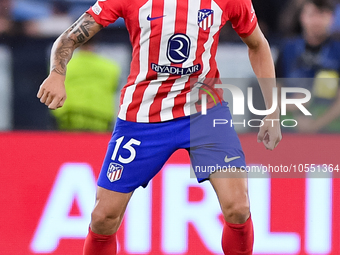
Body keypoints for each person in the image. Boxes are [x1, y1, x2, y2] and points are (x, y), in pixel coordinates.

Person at [37, 0, 281, 254]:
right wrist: (57, 73)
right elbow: (69, 37)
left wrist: (272, 111)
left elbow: (258, 45)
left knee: (238, 208)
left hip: (204, 114)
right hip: (143, 117)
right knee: (103, 218)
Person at [276, 0, 340, 133]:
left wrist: (315, 125)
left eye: (322, 15)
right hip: (289, 126)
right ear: (302, 17)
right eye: (312, 15)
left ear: (332, 18)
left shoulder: (337, 51)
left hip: (330, 131)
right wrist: (290, 104)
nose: (316, 21)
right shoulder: (288, 49)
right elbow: (270, 95)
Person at [52, 40, 121, 132]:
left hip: (70, 116)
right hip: (100, 116)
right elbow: (114, 86)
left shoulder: (63, 66)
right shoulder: (111, 66)